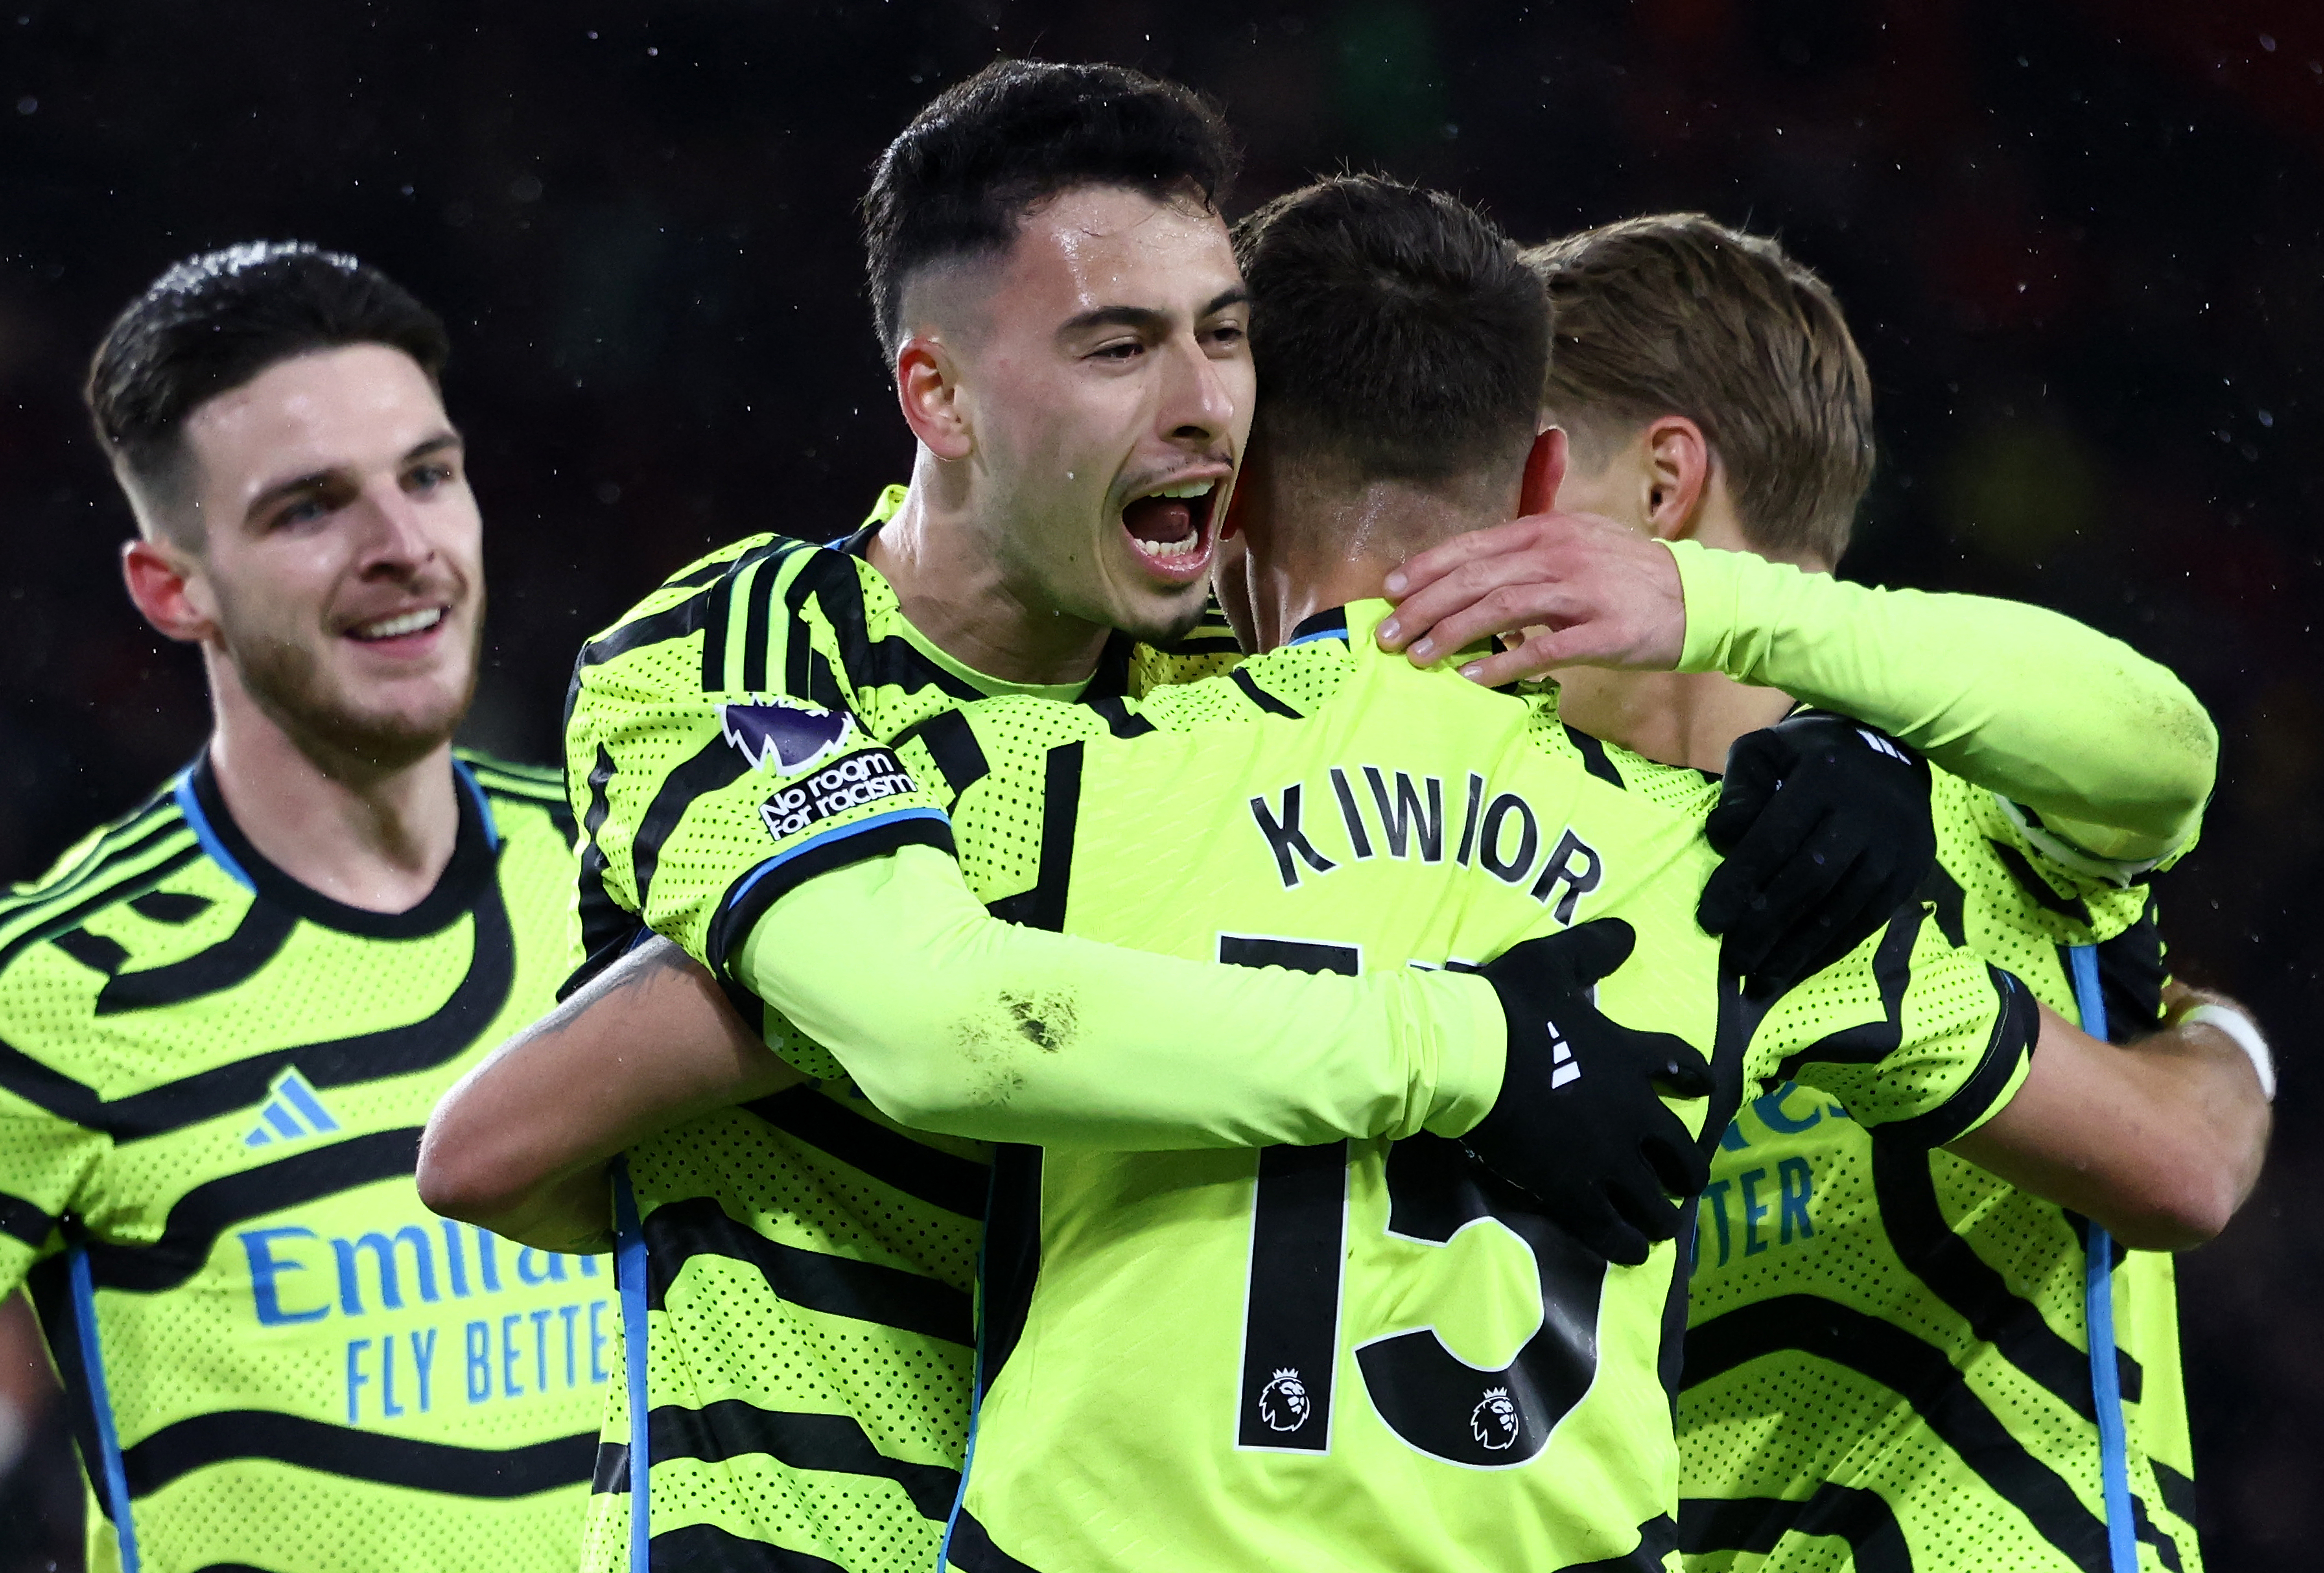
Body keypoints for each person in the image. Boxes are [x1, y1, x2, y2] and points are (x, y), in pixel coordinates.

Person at [434, 175, 2262, 1573]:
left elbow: (499, 1137)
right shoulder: (1749, 890)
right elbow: (2173, 1122)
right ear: (1526, 460)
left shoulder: (1070, 792)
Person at [422, 62, 1765, 1573]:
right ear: (938, 394)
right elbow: (934, 1025)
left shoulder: (1235, 673)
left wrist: (1827, 748)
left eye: (1226, 337)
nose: (1202, 409)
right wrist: (1466, 1046)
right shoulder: (735, 656)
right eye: (1118, 347)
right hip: (792, 1540)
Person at [1374, 213, 2273, 1571]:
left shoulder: (1971, 792)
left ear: (1663, 487)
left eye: (1527, 476)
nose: (1487, 537)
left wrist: (1718, 609)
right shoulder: (1510, 853)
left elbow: (2167, 753)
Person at [0, 244, 608, 1572]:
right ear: (176, 589)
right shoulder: (57, 989)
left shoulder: (639, 878)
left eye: (429, 476)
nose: (403, 548)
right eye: (309, 509)